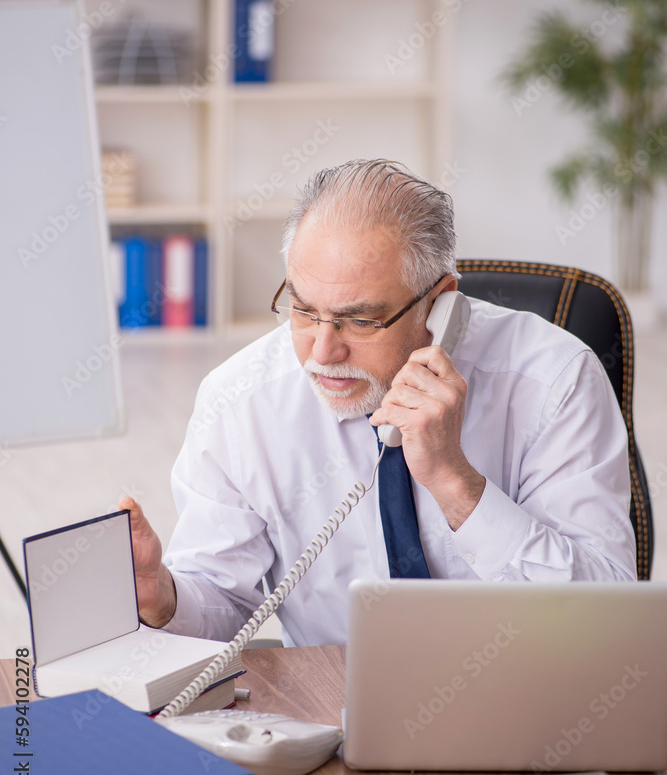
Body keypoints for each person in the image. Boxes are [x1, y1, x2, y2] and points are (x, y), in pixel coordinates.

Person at [122, 159, 637, 648]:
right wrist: (164, 599)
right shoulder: (238, 400)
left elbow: (607, 619)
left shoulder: (553, 379)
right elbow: (221, 599)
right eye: (303, 310)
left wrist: (456, 484)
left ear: (439, 304)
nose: (323, 352)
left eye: (362, 321)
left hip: (527, 695)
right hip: (332, 701)